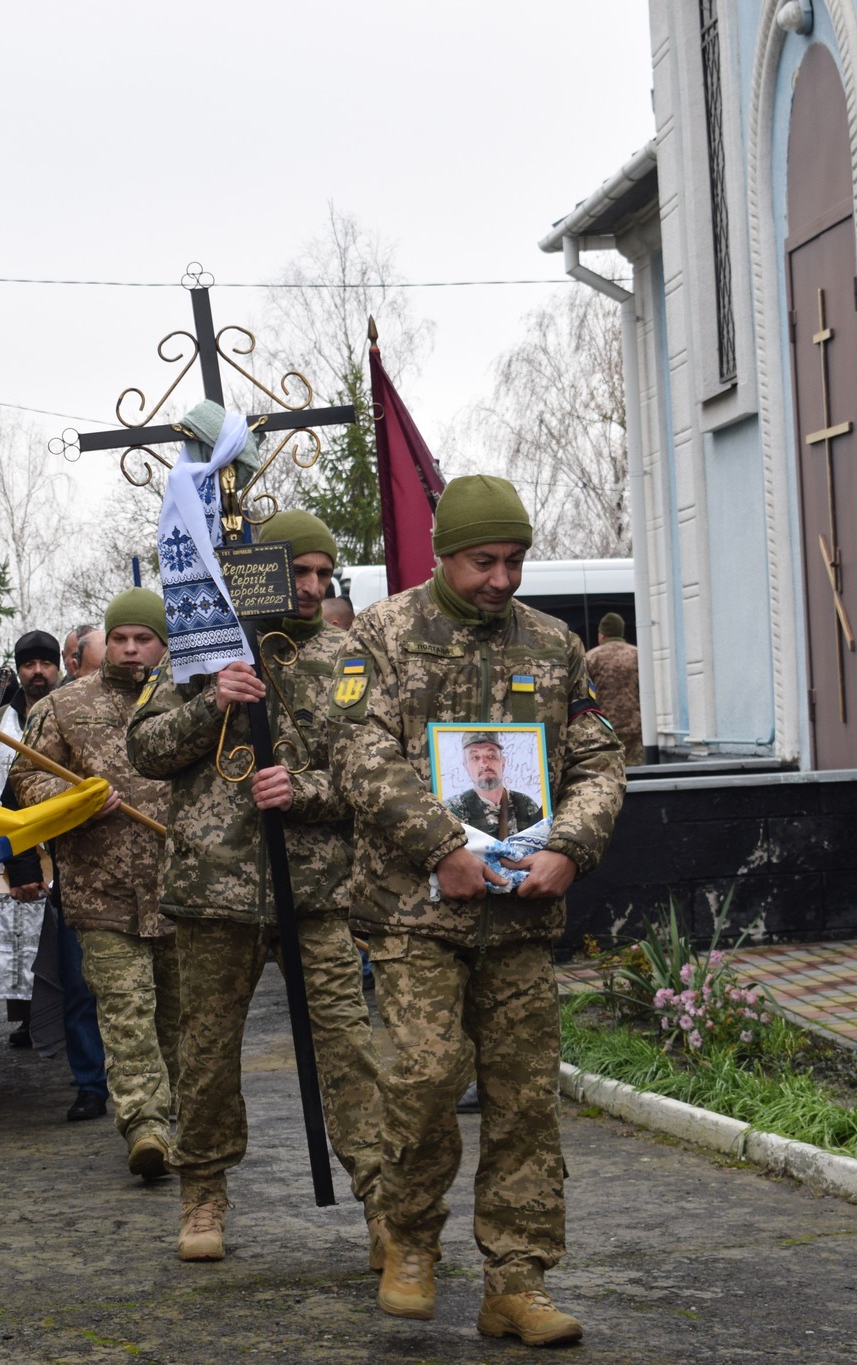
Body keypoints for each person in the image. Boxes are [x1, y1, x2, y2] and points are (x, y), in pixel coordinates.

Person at [330, 474, 626, 1346]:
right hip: (416, 910)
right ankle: (410, 1239)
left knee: (524, 1096)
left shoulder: (554, 645)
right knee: (423, 1077)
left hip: (521, 917)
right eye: (483, 561)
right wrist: (440, 848)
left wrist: (568, 846)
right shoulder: (382, 635)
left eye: (515, 560)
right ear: (441, 554)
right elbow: (358, 752)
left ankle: (517, 1279)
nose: (502, 579)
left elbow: (600, 762)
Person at [128, 509, 387, 1265]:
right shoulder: (202, 650)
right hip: (214, 888)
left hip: (314, 891)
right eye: (296, 572)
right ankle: (202, 1192)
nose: (310, 587)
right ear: (264, 570)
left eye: (322, 574)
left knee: (348, 1044)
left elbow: (374, 775)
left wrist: (301, 789)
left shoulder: (348, 655)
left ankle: (382, 1200)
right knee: (206, 1053)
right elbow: (144, 749)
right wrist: (216, 701)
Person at [13, 589, 179, 1180]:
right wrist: (76, 800)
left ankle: (183, 1117)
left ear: (163, 644)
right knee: (126, 1010)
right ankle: (145, 1126)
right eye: (119, 638)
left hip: (182, 891)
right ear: (104, 643)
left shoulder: (191, 700)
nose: (131, 649)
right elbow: (26, 782)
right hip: (99, 891)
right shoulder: (61, 708)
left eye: (143, 638)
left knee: (180, 1017)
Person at [0, 630, 107, 1111]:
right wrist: (24, 862)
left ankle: (149, 1083)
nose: (38, 672)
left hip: (140, 874)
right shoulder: (51, 716)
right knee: (76, 982)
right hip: (73, 873)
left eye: (44, 662)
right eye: (27, 663)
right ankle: (91, 1082)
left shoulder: (152, 708)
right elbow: (9, 794)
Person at [444, 732, 546, 837]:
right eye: (475, 757)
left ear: (503, 763)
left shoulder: (526, 805)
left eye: (491, 756)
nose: (484, 764)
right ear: (466, 767)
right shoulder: (453, 810)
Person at [584, 612, 643, 767]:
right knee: (635, 771)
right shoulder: (637, 654)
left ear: (602, 635)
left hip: (604, 727)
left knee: (608, 773)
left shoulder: (591, 657)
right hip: (634, 728)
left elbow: (583, 694)